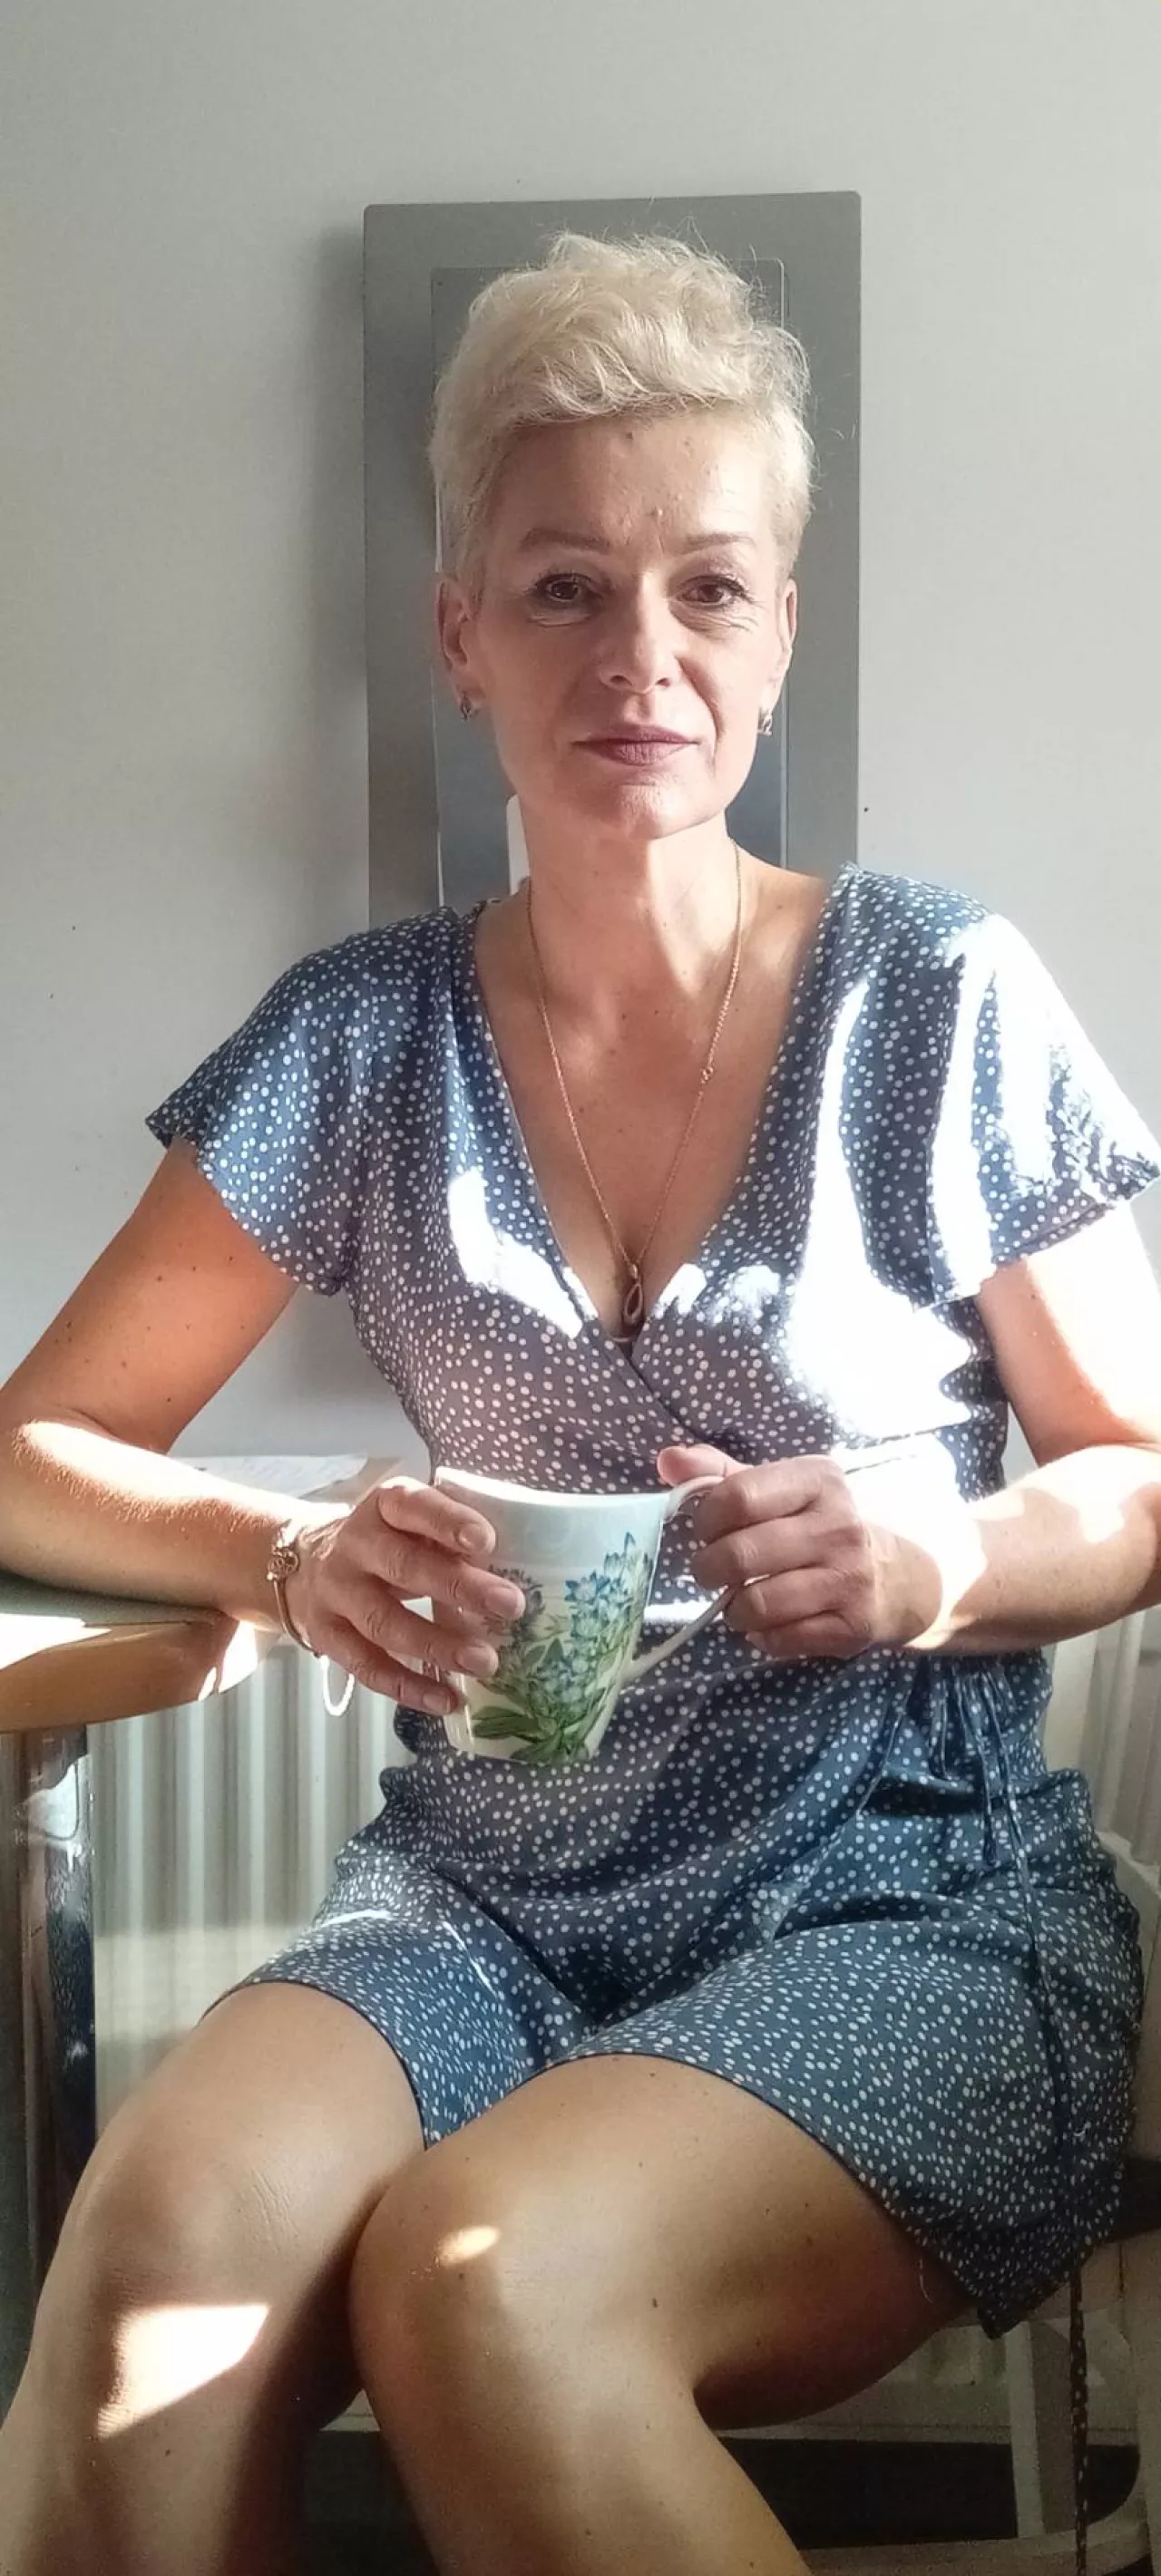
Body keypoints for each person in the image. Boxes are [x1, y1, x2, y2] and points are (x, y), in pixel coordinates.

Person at [1, 228, 1160, 2576]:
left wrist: (941, 1558)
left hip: (899, 1901)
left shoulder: (936, 993)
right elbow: (29, 1448)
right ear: (461, 638)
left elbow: (1141, 1475)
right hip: (483, 1894)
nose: (643, 655)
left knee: (491, 2290)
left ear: (780, 630)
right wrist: (289, 1553)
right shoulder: (360, 1036)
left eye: (708, 588)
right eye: (563, 589)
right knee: (142, 2281)